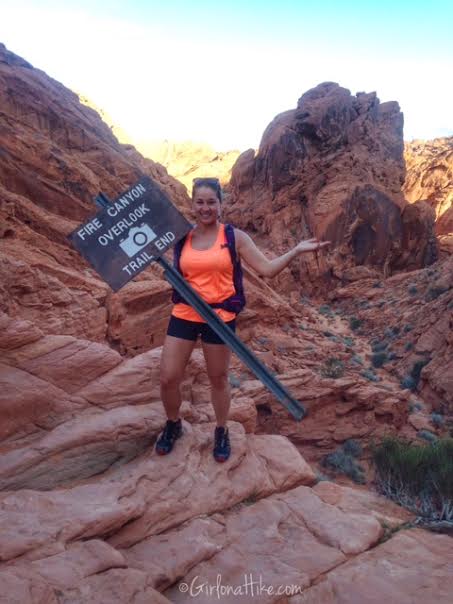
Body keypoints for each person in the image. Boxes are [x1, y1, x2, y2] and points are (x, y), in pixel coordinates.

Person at [155, 177, 329, 462]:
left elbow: (267, 269)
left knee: (219, 378)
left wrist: (296, 250)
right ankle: (173, 424)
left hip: (220, 317)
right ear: (192, 204)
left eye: (211, 202)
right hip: (186, 312)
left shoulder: (234, 237)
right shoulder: (181, 236)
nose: (205, 208)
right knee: (167, 377)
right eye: (200, 202)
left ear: (221, 205)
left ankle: (221, 430)